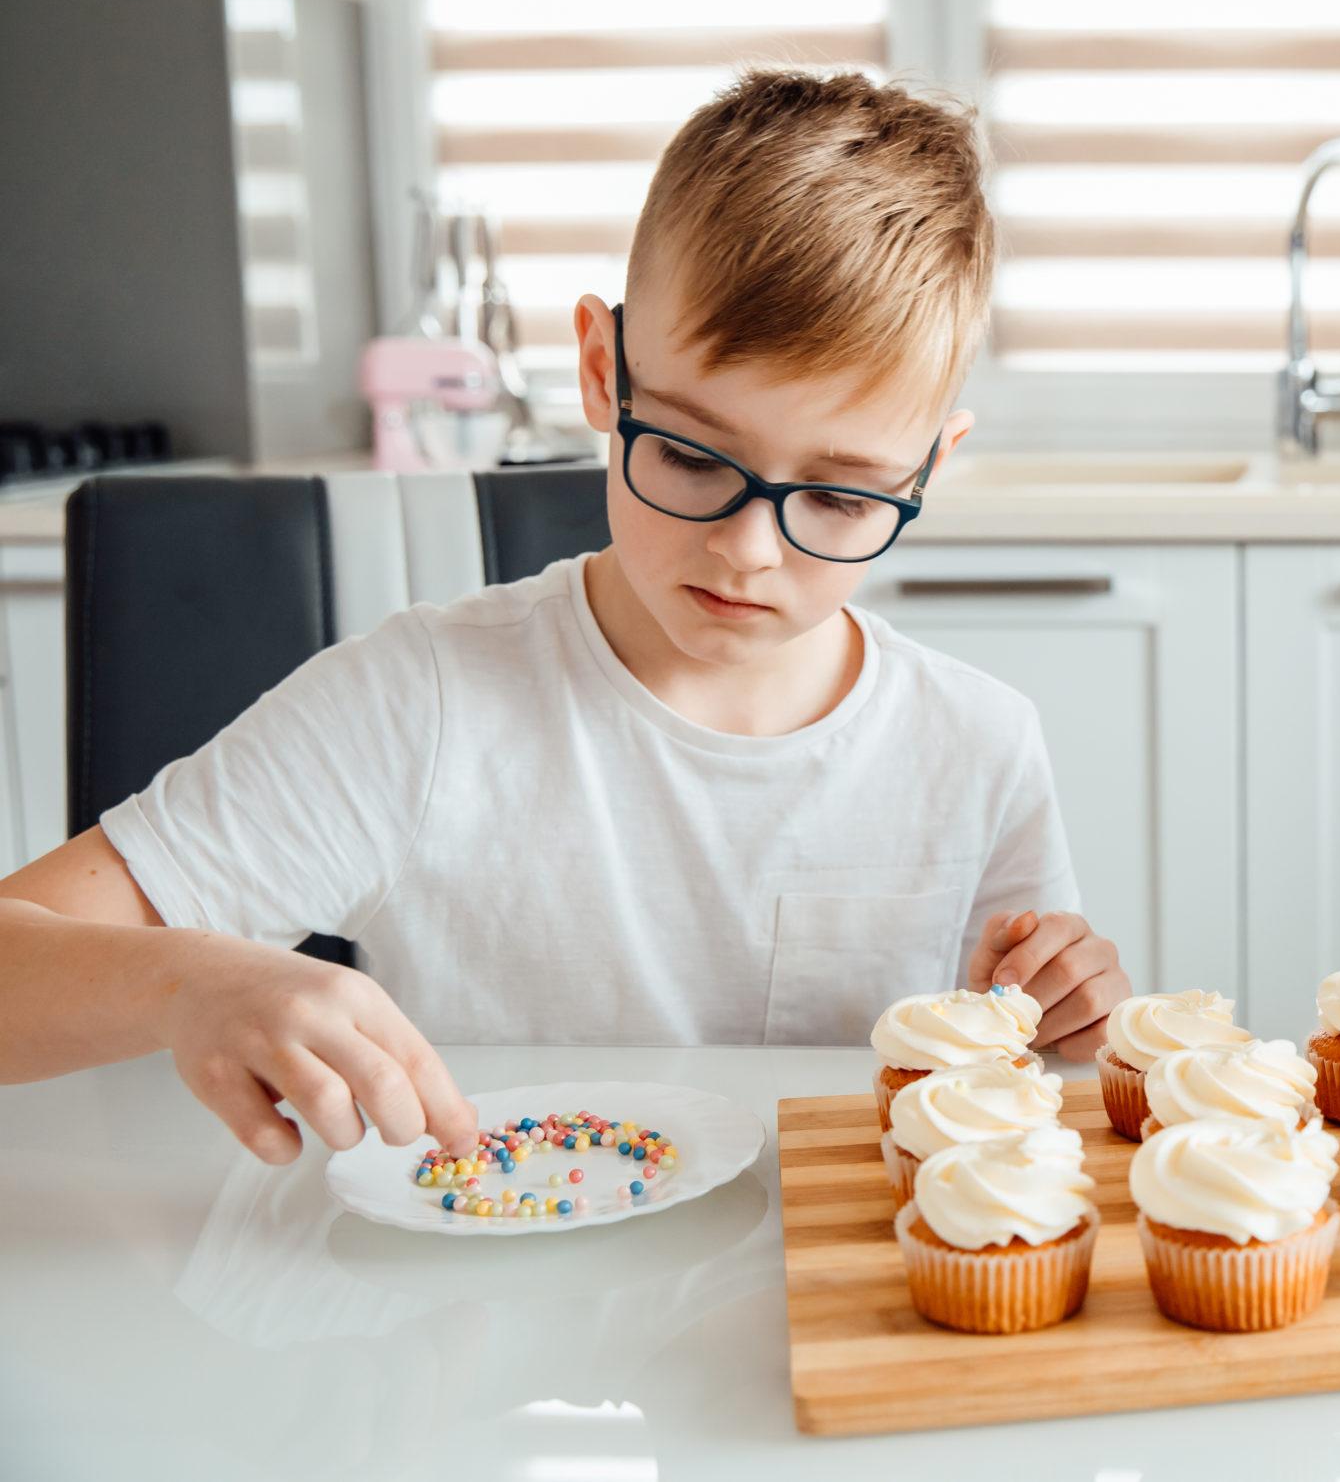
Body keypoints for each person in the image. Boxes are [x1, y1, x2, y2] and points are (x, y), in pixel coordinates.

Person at [0, 69, 1132, 1159]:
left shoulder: (977, 745)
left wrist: (1072, 1024)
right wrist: (183, 977)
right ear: (603, 369)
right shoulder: (423, 706)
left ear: (930, 466)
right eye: (690, 453)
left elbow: (1020, 1103)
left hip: (838, 1323)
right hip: (492, 1324)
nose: (746, 548)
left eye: (838, 495)